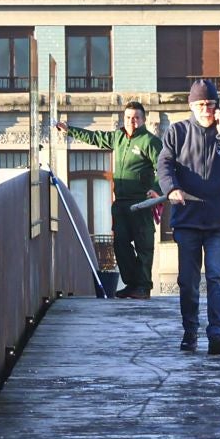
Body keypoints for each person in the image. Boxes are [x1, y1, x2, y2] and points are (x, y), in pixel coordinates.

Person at [156, 79, 220, 355]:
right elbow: (164, 164)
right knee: (187, 280)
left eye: (211, 104)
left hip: (219, 222)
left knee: (215, 276)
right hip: (187, 220)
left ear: (218, 105)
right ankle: (190, 332)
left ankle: (216, 333)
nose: (206, 110)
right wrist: (171, 188)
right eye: (201, 105)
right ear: (191, 106)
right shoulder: (177, 132)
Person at [57, 101, 160, 299]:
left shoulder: (149, 141)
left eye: (136, 118)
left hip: (141, 203)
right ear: (124, 119)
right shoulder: (119, 137)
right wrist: (69, 130)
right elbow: (96, 138)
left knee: (143, 245)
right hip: (120, 202)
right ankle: (131, 284)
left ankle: (143, 287)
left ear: (144, 119)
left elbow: (163, 167)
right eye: (129, 118)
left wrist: (156, 190)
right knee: (120, 244)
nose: (132, 122)